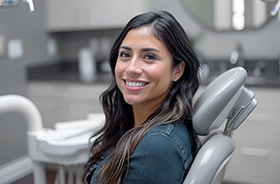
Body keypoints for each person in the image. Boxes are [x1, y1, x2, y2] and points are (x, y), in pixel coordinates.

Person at [84, 10, 201, 184]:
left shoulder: (158, 147)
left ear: (177, 70)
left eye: (149, 57)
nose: (131, 68)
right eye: (125, 54)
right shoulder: (139, 126)